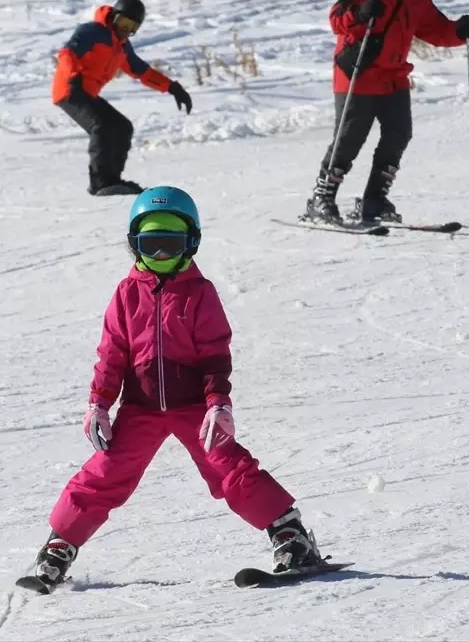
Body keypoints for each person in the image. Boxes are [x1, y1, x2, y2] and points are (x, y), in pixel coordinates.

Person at [26, 186, 324, 589]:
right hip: (139, 408)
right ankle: (59, 546)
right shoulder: (126, 293)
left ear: (192, 244)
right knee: (103, 473)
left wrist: (219, 404)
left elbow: (215, 353)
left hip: (192, 406)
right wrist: (98, 402)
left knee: (230, 469)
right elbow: (112, 354)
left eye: (172, 245)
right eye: (152, 246)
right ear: (135, 245)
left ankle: (291, 536)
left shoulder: (201, 293)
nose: (162, 256)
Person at [304, 0, 469, 225]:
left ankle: (374, 200)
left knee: (399, 134)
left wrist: (459, 32)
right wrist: (360, 13)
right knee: (349, 140)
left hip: (394, 79)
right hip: (357, 76)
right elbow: (336, 19)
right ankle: (322, 199)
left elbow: (436, 30)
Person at [52, 0, 194, 196]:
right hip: (70, 90)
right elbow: (67, 54)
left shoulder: (122, 46)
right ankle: (100, 183)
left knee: (122, 127)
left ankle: (113, 181)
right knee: (101, 126)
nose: (125, 30)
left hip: (87, 93)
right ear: (113, 17)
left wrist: (172, 87)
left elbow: (141, 71)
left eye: (132, 27)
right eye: (123, 23)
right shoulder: (92, 32)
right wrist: (74, 77)